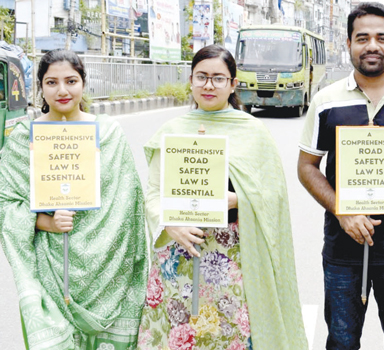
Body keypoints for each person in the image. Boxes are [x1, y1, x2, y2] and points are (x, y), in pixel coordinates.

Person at [137, 45, 307, 350]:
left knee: (227, 335)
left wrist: (237, 199)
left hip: (232, 257)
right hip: (178, 254)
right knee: (180, 335)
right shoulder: (172, 131)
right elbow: (154, 193)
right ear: (190, 80)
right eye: (201, 77)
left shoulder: (253, 133)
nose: (208, 85)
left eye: (218, 78)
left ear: (233, 84)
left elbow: (273, 195)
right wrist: (169, 224)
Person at [297, 3, 384, 349]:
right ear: (348, 43)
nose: (372, 46)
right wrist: (342, 210)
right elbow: (306, 167)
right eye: (362, 38)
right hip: (342, 249)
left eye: (382, 38)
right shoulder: (327, 101)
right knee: (342, 341)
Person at [0, 49, 148, 349]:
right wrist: (46, 222)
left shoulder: (108, 134)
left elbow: (127, 207)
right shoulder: (23, 137)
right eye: (52, 82)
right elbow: (6, 204)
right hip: (51, 268)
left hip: (108, 268)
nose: (63, 90)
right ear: (40, 87)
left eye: (71, 80)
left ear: (84, 83)